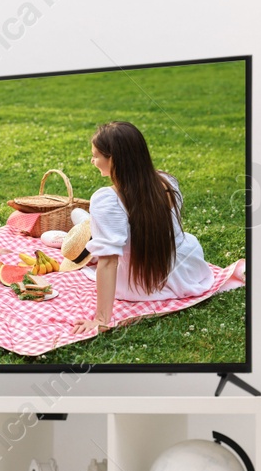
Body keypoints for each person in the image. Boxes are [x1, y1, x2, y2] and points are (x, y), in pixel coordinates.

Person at [64, 121, 217, 336]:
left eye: (96, 155)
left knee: (88, 229)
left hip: (142, 283)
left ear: (114, 160)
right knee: (92, 226)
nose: (92, 160)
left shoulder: (107, 200)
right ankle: (85, 226)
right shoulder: (167, 181)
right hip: (186, 270)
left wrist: (101, 319)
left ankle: (81, 229)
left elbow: (108, 261)